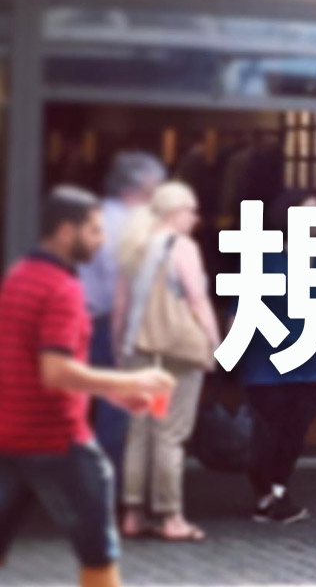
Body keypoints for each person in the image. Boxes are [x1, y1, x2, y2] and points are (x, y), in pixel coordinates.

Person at [0, 186, 174, 587]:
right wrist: (130, 379)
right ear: (66, 232)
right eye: (94, 230)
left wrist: (114, 393)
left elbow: (32, 364)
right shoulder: (61, 288)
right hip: (57, 437)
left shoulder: (20, 277)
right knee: (98, 550)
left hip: (10, 433)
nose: (102, 240)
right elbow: (56, 372)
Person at [114, 182, 220, 542]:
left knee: (139, 431)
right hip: (176, 354)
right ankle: (170, 516)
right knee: (170, 433)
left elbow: (121, 306)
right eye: (191, 210)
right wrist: (213, 342)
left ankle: (132, 514)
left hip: (138, 352)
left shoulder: (133, 245)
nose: (195, 218)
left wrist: (121, 348)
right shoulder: (182, 247)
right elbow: (197, 300)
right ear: (175, 212)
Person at [234, 189, 316, 524]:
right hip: (268, 363)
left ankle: (276, 493)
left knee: (294, 435)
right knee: (268, 434)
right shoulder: (263, 257)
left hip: (314, 364)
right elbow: (240, 311)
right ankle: (265, 496)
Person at [78, 151, 166, 491]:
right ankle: (106, 492)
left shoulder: (96, 214)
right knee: (118, 414)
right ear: (139, 189)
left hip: (86, 320)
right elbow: (122, 294)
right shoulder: (128, 226)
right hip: (110, 325)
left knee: (90, 410)